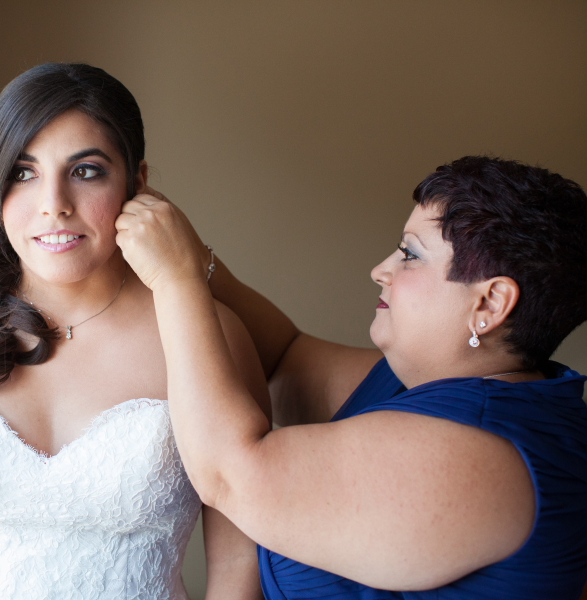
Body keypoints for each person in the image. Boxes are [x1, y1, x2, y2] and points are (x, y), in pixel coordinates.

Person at [0, 63, 271, 599]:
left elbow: (238, 565)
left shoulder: (209, 336)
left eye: (86, 171)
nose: (54, 205)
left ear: (137, 185)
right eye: (23, 173)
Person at [115, 156, 587, 598]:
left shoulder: (474, 457)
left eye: (410, 254)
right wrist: (187, 250)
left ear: (489, 303)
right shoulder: (451, 386)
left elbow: (228, 475)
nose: (381, 270)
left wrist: (177, 280)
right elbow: (283, 360)